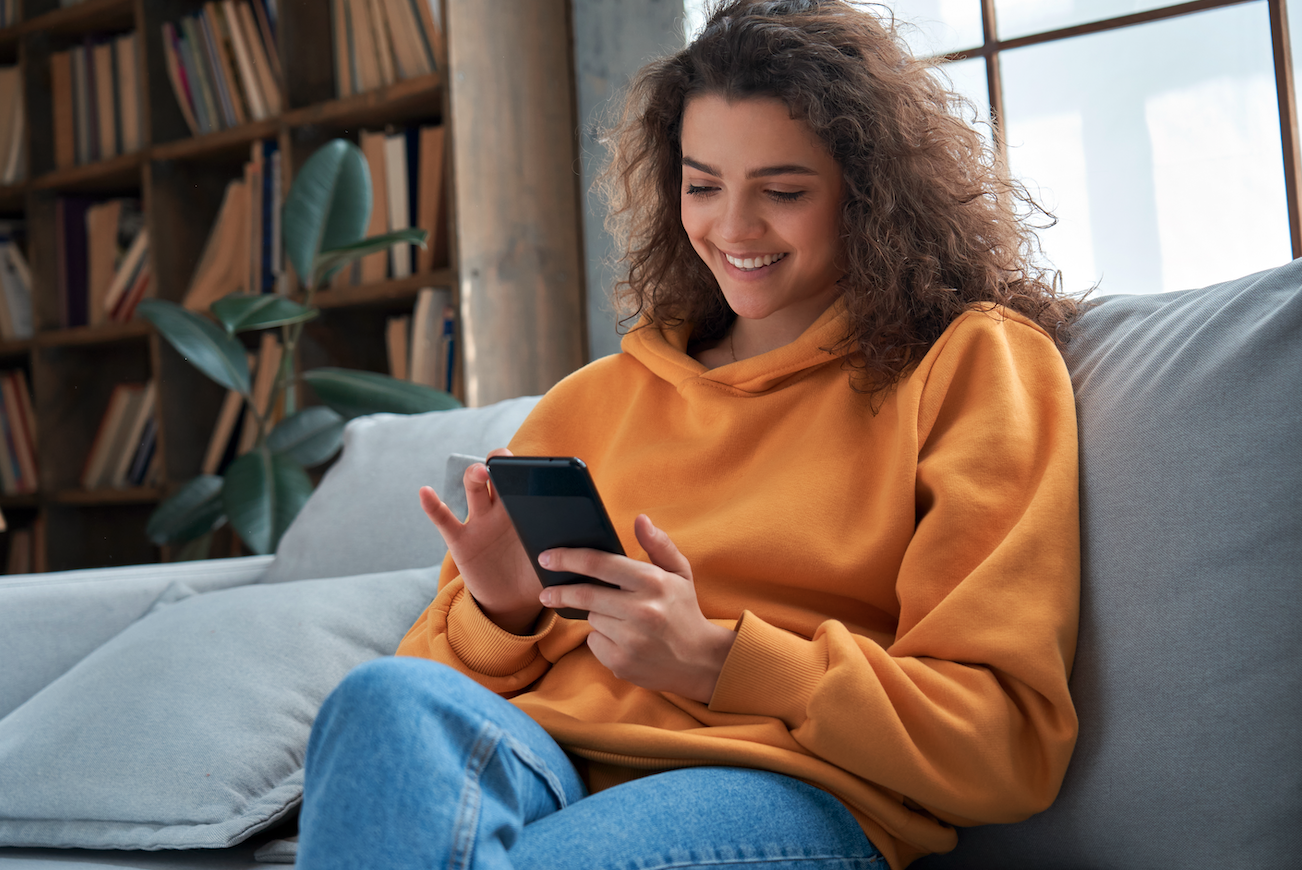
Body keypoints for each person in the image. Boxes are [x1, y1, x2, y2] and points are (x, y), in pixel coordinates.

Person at [294, 1, 1082, 868]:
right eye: (703, 185)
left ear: (870, 194)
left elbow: (1003, 744)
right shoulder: (593, 399)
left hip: (781, 782)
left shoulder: (970, 365)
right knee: (381, 701)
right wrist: (502, 611)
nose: (734, 229)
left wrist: (716, 658)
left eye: (782, 192)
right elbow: (441, 693)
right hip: (546, 759)